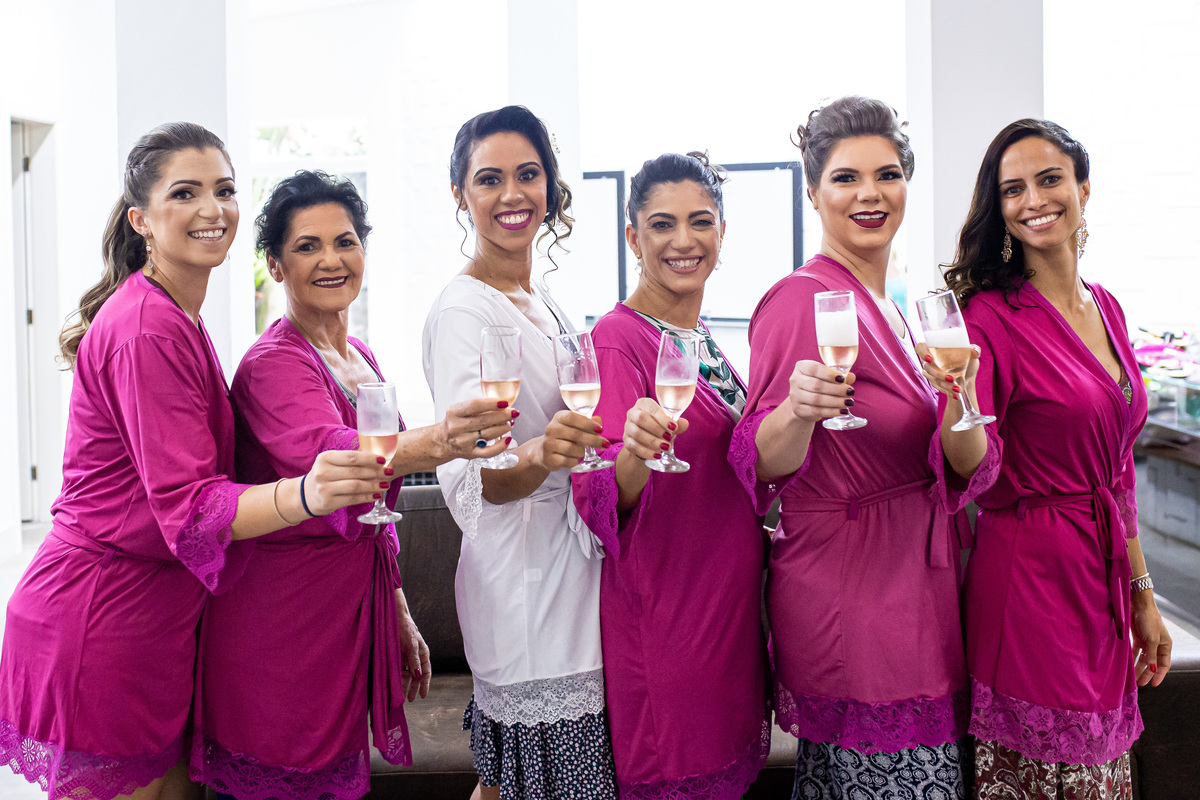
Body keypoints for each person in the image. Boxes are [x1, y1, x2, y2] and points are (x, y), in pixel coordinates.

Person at [0, 124, 390, 800]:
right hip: (105, 622)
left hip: (154, 624)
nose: (213, 209)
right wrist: (306, 492)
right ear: (141, 220)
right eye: (186, 193)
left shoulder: (175, 313)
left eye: (225, 190)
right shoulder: (147, 328)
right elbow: (192, 506)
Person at [188, 170, 514, 800]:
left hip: (337, 624)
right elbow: (338, 462)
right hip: (279, 632)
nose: (331, 260)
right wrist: (444, 437)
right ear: (276, 267)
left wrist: (394, 603)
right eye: (307, 246)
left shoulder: (358, 353)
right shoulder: (273, 364)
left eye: (345, 241)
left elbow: (372, 517)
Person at [729, 97, 971, 799]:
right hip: (855, 599)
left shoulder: (897, 307)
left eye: (887, 174)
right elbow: (760, 460)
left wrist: (962, 397)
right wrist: (798, 413)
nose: (870, 193)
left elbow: (955, 457)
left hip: (915, 588)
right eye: (845, 178)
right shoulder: (801, 300)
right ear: (813, 192)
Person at [931, 118, 1172, 799]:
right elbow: (967, 468)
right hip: (1028, 575)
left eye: (1049, 179)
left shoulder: (1109, 308)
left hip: (1100, 577)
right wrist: (957, 399)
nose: (1034, 199)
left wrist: (1142, 595)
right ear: (998, 207)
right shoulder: (985, 317)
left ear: (1083, 189)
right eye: (1013, 189)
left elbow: (1118, 475)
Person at [421, 105, 617, 800]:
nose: (512, 195)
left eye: (528, 174)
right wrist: (545, 454)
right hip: (524, 585)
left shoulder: (545, 300)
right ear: (459, 193)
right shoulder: (464, 312)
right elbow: (480, 479)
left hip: (572, 575)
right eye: (490, 178)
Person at [570, 152, 770, 799]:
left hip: (729, 626)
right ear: (633, 237)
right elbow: (604, 496)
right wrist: (632, 447)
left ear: (721, 232)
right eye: (662, 225)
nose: (684, 241)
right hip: (669, 627)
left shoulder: (701, 339)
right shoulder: (616, 339)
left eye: (700, 222)